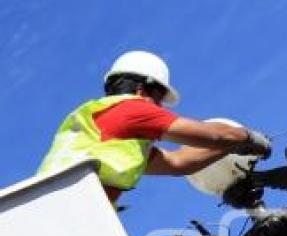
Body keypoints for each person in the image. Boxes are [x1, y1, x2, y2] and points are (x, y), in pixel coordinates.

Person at [38, 50, 271, 205]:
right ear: (142, 89)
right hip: (70, 212)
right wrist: (248, 137)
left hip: (56, 208)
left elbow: (179, 163)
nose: (159, 107)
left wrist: (232, 148)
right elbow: (216, 135)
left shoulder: (102, 128)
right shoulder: (132, 109)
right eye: (159, 98)